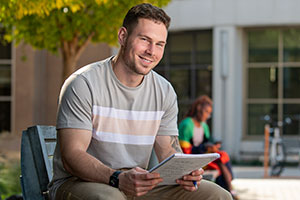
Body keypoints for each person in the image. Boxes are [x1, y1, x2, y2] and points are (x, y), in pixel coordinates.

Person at [48, 3, 232, 200]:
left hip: (138, 185)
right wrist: (117, 178)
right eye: (145, 40)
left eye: (160, 44)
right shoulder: (84, 84)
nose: (151, 51)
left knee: (216, 195)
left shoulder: (164, 91)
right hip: (81, 183)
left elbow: (168, 150)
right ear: (123, 36)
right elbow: (72, 156)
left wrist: (185, 171)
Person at [178, 95, 237, 199]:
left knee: (221, 156)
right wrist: (205, 148)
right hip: (191, 157)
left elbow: (207, 141)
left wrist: (212, 145)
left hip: (201, 155)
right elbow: (184, 150)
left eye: (209, 114)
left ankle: (228, 190)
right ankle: (229, 189)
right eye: (206, 112)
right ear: (199, 109)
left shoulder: (204, 126)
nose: (207, 116)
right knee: (220, 160)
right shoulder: (187, 124)